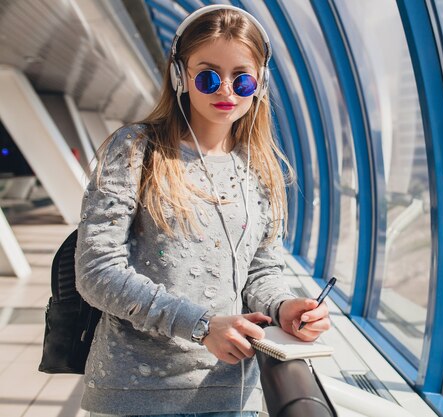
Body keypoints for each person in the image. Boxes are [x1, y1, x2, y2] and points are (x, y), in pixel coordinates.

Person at [75, 5, 330, 417]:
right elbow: (96, 270)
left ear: (259, 85)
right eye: (208, 76)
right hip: (135, 395)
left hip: (232, 393)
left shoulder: (261, 168)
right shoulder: (136, 149)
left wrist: (284, 307)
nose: (226, 91)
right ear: (181, 76)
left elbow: (260, 271)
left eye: (241, 78)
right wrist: (201, 325)